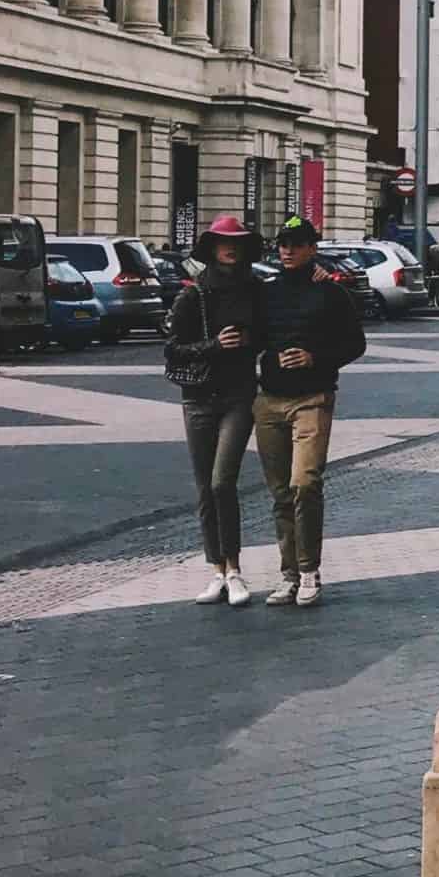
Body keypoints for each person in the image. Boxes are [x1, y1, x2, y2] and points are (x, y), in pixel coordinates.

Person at [253, 214, 366, 608]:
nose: (287, 250)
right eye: (283, 244)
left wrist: (314, 357)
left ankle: (309, 570)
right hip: (268, 401)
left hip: (312, 398)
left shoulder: (331, 294)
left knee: (305, 483)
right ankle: (288, 574)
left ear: (312, 249)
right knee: (281, 492)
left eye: (297, 244)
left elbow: (355, 344)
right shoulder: (266, 292)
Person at [166, 214, 267, 607]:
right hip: (198, 398)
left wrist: (249, 341)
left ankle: (236, 569)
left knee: (223, 482)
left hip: (239, 396)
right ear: (210, 249)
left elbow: (269, 333)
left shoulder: (256, 290)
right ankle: (217, 572)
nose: (230, 248)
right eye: (223, 242)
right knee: (205, 488)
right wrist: (214, 346)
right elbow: (173, 348)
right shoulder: (194, 294)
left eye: (237, 243)